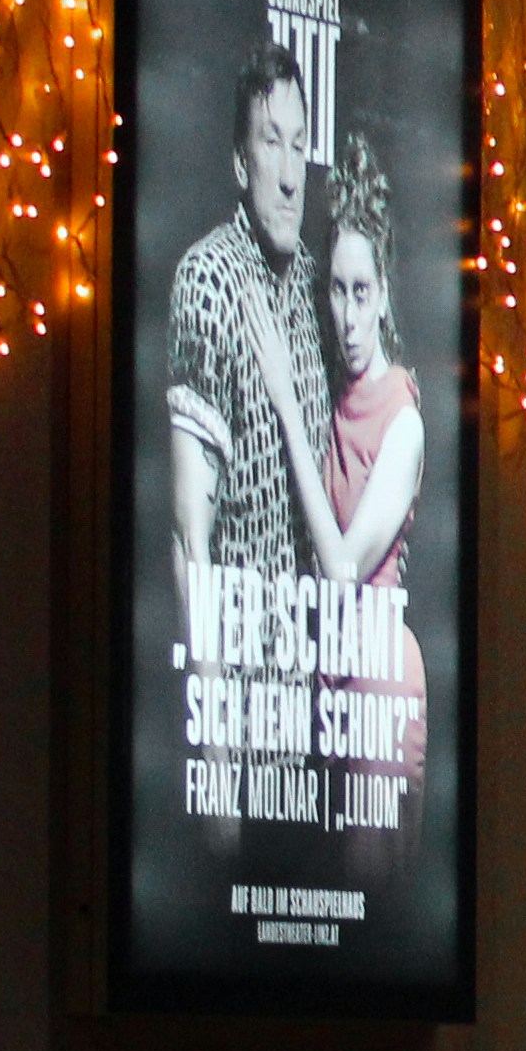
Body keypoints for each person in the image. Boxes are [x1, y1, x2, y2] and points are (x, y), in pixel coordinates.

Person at [165, 46, 321, 735]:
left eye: (298, 146)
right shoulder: (208, 281)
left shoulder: (320, 291)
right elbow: (189, 540)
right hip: (245, 720)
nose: (290, 176)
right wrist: (219, 754)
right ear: (240, 163)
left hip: (319, 723)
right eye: (270, 143)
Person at [304, 135, 435, 848]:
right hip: (331, 692)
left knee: (370, 904)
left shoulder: (403, 420)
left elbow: (345, 566)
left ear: (383, 292)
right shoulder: (334, 396)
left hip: (379, 688)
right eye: (336, 289)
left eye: (362, 291)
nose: (347, 314)